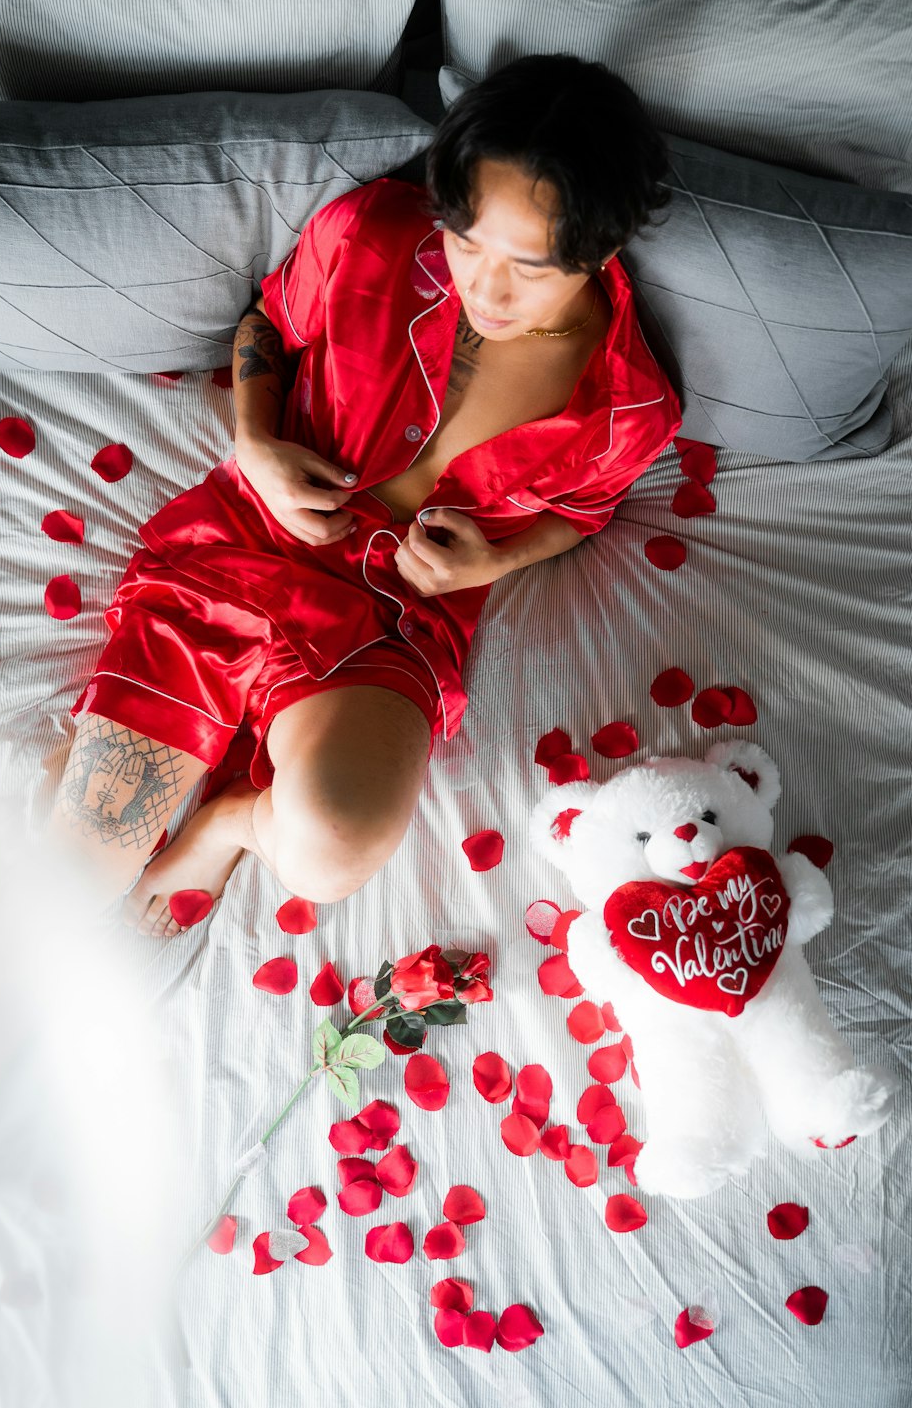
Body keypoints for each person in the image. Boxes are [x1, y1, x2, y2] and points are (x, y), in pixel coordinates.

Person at [52, 53, 682, 937]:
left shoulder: (630, 405)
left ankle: (236, 815)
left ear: (602, 247)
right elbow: (270, 322)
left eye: (529, 267)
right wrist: (257, 444)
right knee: (73, 874)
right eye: (468, 242)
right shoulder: (371, 233)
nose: (486, 290)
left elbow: (581, 512)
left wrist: (495, 558)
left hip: (394, 623)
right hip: (244, 550)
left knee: (331, 851)